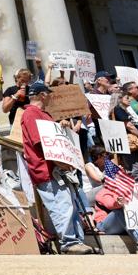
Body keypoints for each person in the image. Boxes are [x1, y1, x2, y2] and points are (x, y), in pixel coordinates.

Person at [20, 81, 93, 254]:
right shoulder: (31, 113)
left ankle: (77, 241)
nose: (51, 97)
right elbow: (41, 142)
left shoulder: (43, 114)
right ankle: (69, 243)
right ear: (43, 95)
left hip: (56, 168)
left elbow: (52, 137)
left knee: (69, 204)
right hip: (45, 169)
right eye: (49, 94)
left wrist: (62, 126)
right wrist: (61, 162)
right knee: (61, 205)